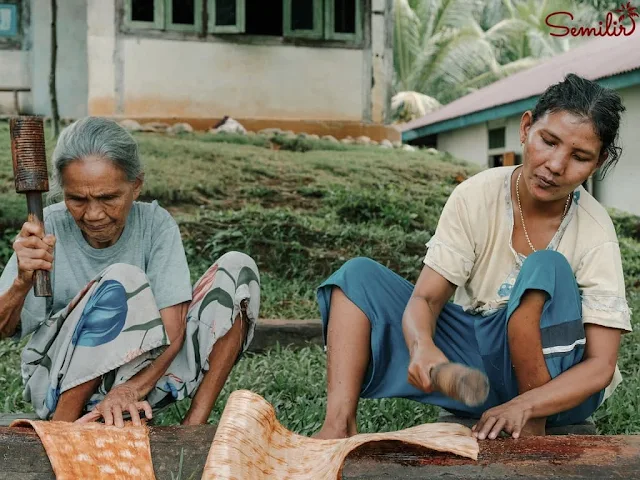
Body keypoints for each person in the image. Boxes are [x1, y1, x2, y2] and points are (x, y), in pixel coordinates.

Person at [313, 73, 632, 440]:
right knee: (357, 277)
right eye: (548, 141)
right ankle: (337, 425)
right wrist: (423, 346)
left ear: (598, 161)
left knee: (546, 267)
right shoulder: (475, 196)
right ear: (526, 128)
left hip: (558, 392)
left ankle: (532, 428)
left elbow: (600, 366)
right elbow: (426, 299)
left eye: (579, 157)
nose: (556, 165)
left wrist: (525, 404)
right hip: (480, 367)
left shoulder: (594, 230)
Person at [0, 117, 261, 427]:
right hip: (58, 382)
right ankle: (63, 428)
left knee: (237, 268)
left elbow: (173, 331)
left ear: (136, 186)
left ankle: (192, 431)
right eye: (77, 199)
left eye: (108, 198)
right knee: (122, 279)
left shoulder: (155, 225)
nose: (93, 214)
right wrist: (21, 282)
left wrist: (129, 390)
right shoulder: (47, 227)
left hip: (139, 381)